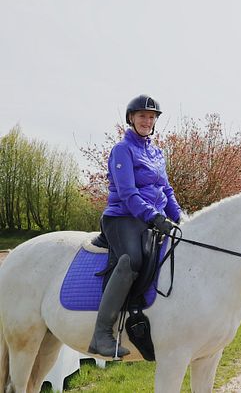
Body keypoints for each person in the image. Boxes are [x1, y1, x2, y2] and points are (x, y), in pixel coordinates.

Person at [88, 94, 182, 358]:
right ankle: (101, 333)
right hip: (122, 217)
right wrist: (154, 216)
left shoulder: (157, 152)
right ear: (131, 118)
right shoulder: (122, 149)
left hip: (151, 217)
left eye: (151, 117)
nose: (147, 120)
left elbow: (166, 190)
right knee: (132, 260)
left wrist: (181, 218)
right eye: (142, 115)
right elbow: (128, 193)